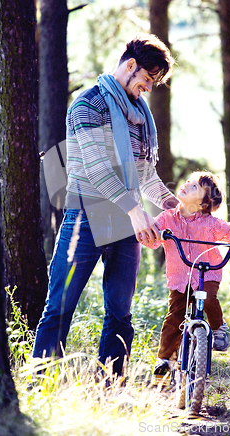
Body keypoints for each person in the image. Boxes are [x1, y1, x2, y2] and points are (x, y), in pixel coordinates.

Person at [33, 33, 179, 380]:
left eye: (154, 83)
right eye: (147, 79)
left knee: (120, 311)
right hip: (84, 217)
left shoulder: (141, 117)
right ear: (131, 65)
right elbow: (98, 169)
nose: (148, 88)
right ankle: (41, 381)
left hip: (127, 223)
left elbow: (146, 175)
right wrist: (134, 210)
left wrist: (176, 206)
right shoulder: (88, 105)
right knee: (60, 306)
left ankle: (111, 384)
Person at [140, 171, 230, 384]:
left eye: (195, 187)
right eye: (188, 181)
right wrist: (146, 232)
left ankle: (218, 329)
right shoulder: (167, 217)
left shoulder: (210, 223)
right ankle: (164, 361)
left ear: (202, 205)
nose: (187, 184)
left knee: (208, 298)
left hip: (207, 273)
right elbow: (152, 241)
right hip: (180, 279)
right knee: (174, 318)